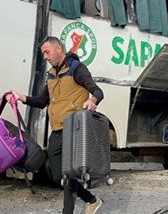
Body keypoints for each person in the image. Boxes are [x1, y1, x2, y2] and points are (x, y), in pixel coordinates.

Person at [9, 36, 104, 214]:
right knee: (57, 175)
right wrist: (21, 98)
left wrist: (92, 99)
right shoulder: (52, 74)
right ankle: (91, 199)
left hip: (74, 128)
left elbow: (98, 90)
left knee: (68, 174)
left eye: (47, 52)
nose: (45, 56)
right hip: (57, 131)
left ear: (58, 48)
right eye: (43, 53)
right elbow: (42, 100)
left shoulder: (77, 69)